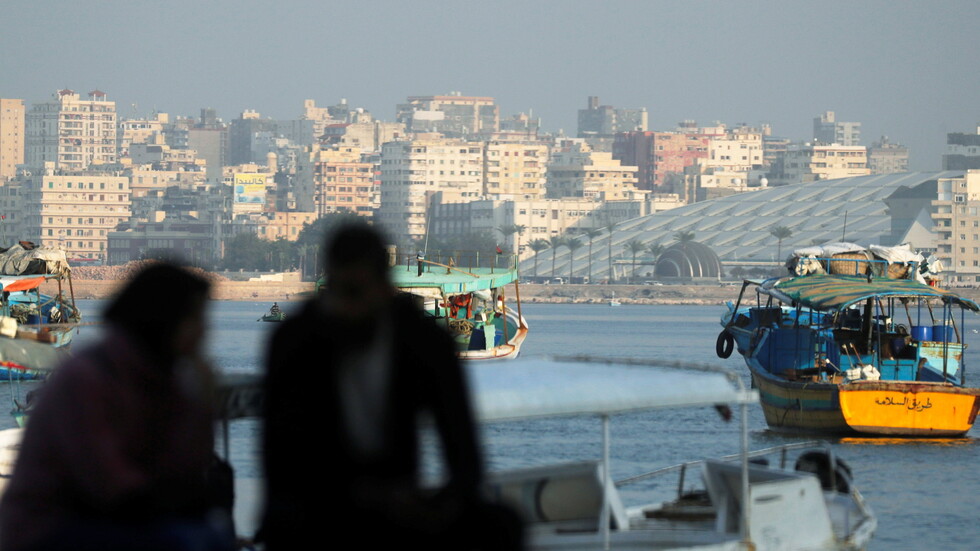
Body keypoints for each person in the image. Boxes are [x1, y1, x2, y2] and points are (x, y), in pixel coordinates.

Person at [261, 223, 522, 549]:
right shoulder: (295, 341)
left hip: (402, 498)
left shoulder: (423, 342)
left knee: (500, 525)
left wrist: (441, 505)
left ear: (384, 288)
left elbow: (460, 444)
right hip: (321, 503)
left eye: (361, 293)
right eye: (346, 295)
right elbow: (278, 448)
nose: (353, 309)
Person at [0, 262, 233, 551]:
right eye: (195, 320)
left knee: (212, 533)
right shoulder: (90, 378)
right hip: (51, 528)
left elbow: (185, 467)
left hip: (111, 515)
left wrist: (201, 405)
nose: (203, 332)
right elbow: (106, 483)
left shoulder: (158, 380)